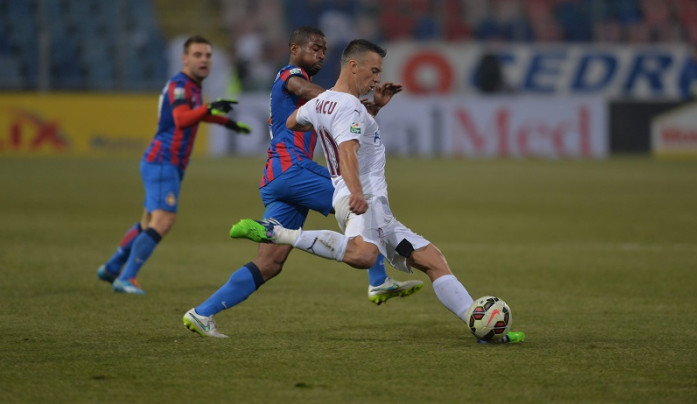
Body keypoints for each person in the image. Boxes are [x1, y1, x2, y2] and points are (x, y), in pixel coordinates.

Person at [228, 39, 525, 343]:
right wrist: (356, 191)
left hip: (375, 206)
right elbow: (347, 152)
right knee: (363, 255)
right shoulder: (349, 106)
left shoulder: (324, 102)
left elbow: (292, 122)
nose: (377, 78)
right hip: (362, 199)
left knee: (433, 260)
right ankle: (275, 233)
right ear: (353, 66)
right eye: (373, 70)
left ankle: (481, 329)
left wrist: (372, 110)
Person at [182, 27, 422, 338]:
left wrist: (368, 107)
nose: (321, 54)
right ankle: (378, 281)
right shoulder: (290, 74)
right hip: (291, 169)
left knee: (269, 263)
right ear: (294, 48)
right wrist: (346, 100)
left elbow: (335, 114)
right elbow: (312, 95)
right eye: (315, 48)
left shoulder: (316, 94)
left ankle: (202, 313)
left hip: (279, 180)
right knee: (355, 197)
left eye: (324, 50)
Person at [96, 35, 251, 294]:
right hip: (163, 160)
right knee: (164, 219)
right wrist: (210, 108)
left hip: (169, 163)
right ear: (185, 58)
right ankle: (126, 277)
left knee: (148, 221)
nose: (204, 60)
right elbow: (181, 119)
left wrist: (228, 123)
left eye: (208, 55)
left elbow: (195, 115)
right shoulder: (179, 85)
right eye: (198, 55)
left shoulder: (191, 86)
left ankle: (112, 267)